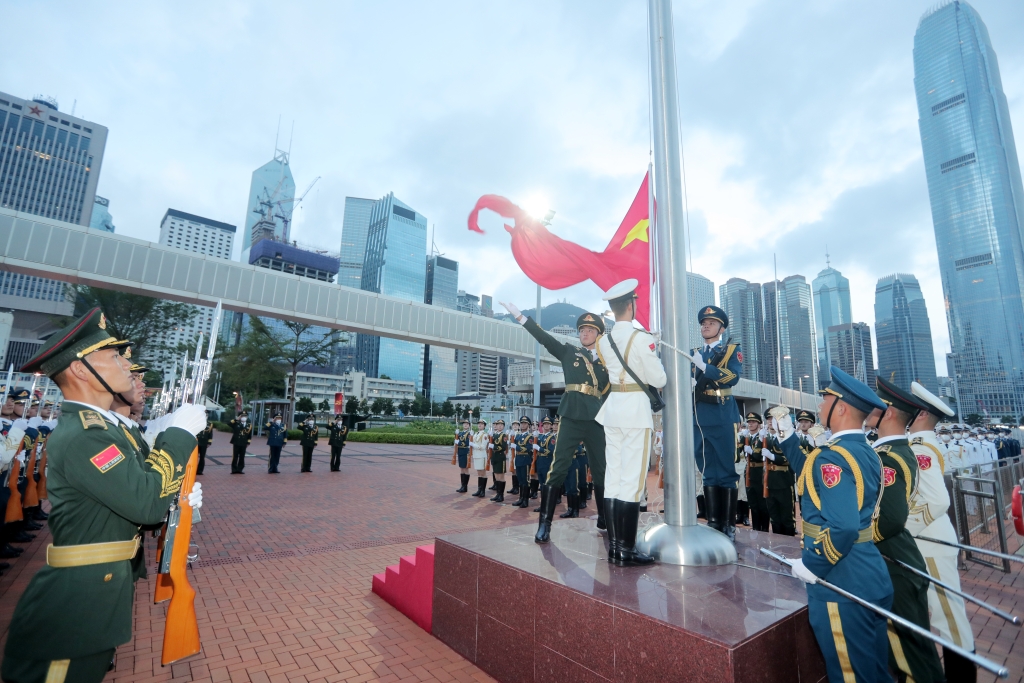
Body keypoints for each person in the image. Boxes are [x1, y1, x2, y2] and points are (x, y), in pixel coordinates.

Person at [1, 307, 205, 683]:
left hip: (99, 588)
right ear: (81, 369)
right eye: (113, 356)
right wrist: (179, 435)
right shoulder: (86, 434)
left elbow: (137, 498)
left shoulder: (102, 430)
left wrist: (174, 503)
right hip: (76, 601)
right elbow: (145, 501)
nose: (127, 365)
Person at [774, 366, 892, 683]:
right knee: (875, 673)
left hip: (842, 581)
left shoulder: (835, 457)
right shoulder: (862, 451)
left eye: (825, 398)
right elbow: (813, 475)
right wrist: (786, 438)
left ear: (840, 408)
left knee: (851, 676)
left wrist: (812, 565)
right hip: (869, 573)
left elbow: (842, 527)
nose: (820, 404)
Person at [500, 301, 610, 540]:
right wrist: (520, 317)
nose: (585, 333)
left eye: (590, 330)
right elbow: (544, 338)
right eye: (582, 330)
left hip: (596, 418)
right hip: (570, 415)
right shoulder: (570, 352)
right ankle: (545, 524)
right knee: (558, 467)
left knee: (601, 470)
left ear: (599, 334)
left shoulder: (606, 362)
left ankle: (604, 518)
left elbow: (610, 391)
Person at [869, 377, 945, 683]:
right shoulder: (893, 449)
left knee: (911, 655)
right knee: (906, 647)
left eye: (876, 404)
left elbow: (889, 520)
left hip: (893, 561)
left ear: (888, 413)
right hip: (896, 558)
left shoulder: (890, 455)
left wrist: (853, 540)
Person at [907, 382, 977, 682]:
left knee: (950, 619)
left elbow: (937, 500)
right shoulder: (919, 443)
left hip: (931, 543)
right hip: (928, 542)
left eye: (911, 408)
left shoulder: (920, 448)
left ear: (921, 413)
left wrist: (903, 527)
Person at [595, 279, 666, 566]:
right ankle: (626, 549)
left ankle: (614, 548)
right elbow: (658, 379)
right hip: (635, 410)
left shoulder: (603, 341)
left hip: (613, 409)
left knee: (613, 477)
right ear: (631, 305)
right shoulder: (640, 338)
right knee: (633, 481)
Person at [680, 305, 743, 541]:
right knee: (706, 468)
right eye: (703, 323)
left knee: (726, 469)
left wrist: (706, 368)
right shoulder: (692, 352)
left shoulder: (730, 350)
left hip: (722, 414)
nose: (706, 326)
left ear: (721, 328)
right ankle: (714, 521)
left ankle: (728, 524)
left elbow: (733, 376)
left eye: (711, 323)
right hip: (699, 414)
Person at [763, 409, 796, 536]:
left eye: (773, 419)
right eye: (769, 419)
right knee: (774, 517)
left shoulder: (786, 437)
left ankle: (789, 546)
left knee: (787, 517)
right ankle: (778, 544)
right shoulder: (765, 437)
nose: (770, 422)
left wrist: (773, 457)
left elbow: (789, 459)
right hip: (769, 482)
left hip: (783, 482)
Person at [737, 412, 769, 531]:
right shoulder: (745, 437)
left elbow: (760, 456)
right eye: (749, 422)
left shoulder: (762, 437)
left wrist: (752, 451)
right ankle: (756, 529)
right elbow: (736, 451)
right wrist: (738, 439)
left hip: (760, 472)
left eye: (753, 422)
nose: (750, 424)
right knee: (753, 504)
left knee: (762, 504)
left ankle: (764, 530)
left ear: (759, 424)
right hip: (749, 471)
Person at [512, 417, 535, 508]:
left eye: (525, 423)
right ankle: (521, 498)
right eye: (522, 423)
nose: (523, 425)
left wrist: (517, 447)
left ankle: (525, 500)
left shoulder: (530, 437)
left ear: (528, 425)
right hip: (518, 459)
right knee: (520, 480)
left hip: (525, 459)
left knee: (526, 481)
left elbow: (529, 448)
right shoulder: (518, 436)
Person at [470, 418, 491, 497]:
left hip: (482, 455)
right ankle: (479, 490)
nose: (479, 425)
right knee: (479, 473)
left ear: (484, 426)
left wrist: (473, 445)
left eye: (481, 424)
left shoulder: (484, 435)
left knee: (483, 473)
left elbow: (483, 446)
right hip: (476, 455)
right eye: (479, 424)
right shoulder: (476, 434)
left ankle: (483, 491)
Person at [489, 419, 508, 503]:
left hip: (500, 457)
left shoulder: (503, 435)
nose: (499, 426)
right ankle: (498, 494)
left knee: (501, 476)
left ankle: (501, 495)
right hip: (494, 456)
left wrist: (494, 447)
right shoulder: (494, 435)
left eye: (501, 425)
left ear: (503, 426)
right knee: (496, 476)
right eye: (498, 424)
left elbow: (503, 447)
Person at [453, 420, 471, 492]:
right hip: (460, 451)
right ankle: (462, 486)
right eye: (464, 424)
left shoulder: (469, 433)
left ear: (469, 425)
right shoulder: (460, 433)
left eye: (467, 424)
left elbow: (467, 442)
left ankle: (465, 487)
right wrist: (456, 435)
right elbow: (456, 441)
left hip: (465, 451)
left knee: (465, 468)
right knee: (461, 468)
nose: (465, 425)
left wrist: (459, 442)